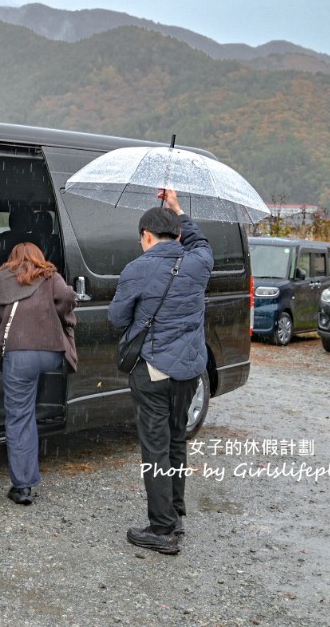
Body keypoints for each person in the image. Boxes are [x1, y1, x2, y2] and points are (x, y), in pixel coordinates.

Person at [109, 188, 213, 555]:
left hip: (152, 369)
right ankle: (176, 514)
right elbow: (200, 240)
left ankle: (162, 529)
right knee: (175, 440)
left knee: (155, 448)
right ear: (178, 234)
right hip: (189, 371)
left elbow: (117, 318)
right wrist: (179, 208)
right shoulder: (199, 261)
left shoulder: (137, 269)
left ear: (147, 236)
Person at [0, 242, 78, 505]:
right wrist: (51, 312)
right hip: (51, 353)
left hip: (19, 354)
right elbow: (68, 297)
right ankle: (50, 413)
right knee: (31, 406)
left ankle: (23, 486)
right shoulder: (50, 275)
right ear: (39, 256)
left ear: (12, 258)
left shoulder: (1, 279)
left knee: (20, 417)